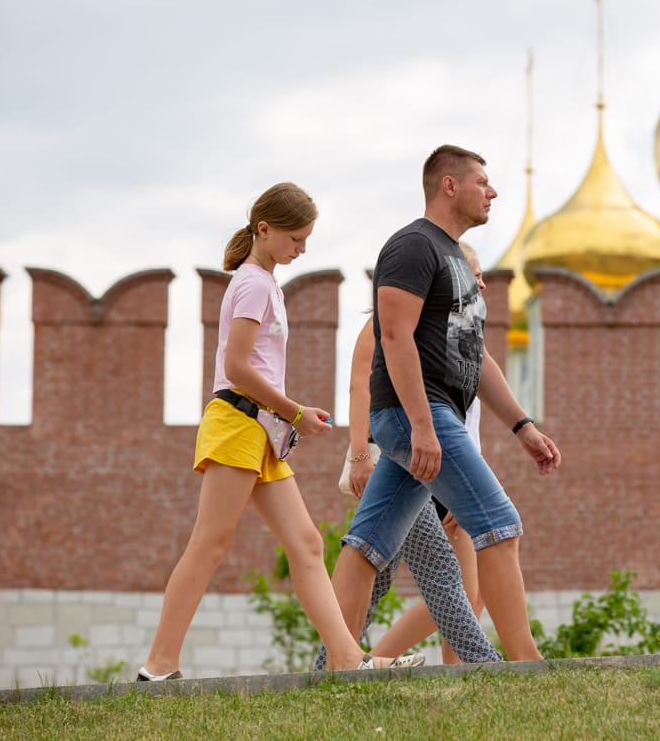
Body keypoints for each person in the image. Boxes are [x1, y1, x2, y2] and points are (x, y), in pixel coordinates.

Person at [139, 182, 418, 681]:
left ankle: (346, 658)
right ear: (264, 229)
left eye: (307, 239)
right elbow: (236, 367)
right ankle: (158, 667)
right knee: (210, 544)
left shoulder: (264, 283)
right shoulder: (252, 284)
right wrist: (295, 413)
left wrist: (288, 415)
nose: (302, 248)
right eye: (296, 238)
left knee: (307, 544)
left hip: (260, 430)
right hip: (238, 424)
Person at [330, 144, 560, 662]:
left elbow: (474, 359)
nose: (492, 191)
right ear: (449, 186)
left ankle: (335, 665)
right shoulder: (414, 246)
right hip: (417, 413)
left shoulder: (457, 259)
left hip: (429, 415)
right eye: (482, 181)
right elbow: (393, 336)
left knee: (368, 544)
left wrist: (523, 427)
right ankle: (525, 664)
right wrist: (422, 427)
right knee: (500, 523)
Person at [314, 242, 500, 670]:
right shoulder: (382, 327)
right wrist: (360, 455)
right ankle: (479, 663)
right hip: (394, 460)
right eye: (472, 272)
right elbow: (361, 388)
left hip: (434, 464)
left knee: (391, 579)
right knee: (441, 573)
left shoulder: (450, 334)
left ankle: (337, 664)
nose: (479, 282)